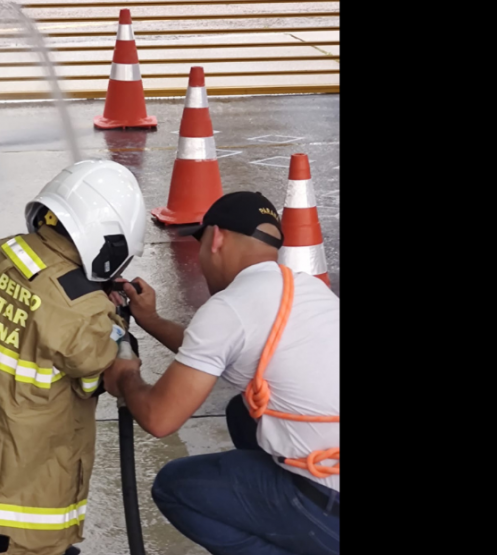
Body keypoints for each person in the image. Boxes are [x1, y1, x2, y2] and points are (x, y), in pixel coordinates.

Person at [0, 159, 147, 555]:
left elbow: (40, 317)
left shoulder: (2, 255)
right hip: (17, 531)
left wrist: (94, 295)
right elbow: (109, 371)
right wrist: (118, 324)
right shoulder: (84, 313)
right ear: (110, 244)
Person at [103, 191, 339, 555]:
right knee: (241, 413)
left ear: (216, 238)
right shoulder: (307, 290)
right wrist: (150, 320)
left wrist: (124, 378)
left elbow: (159, 418)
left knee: (174, 486)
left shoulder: (230, 307)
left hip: (328, 504)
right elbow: (213, 352)